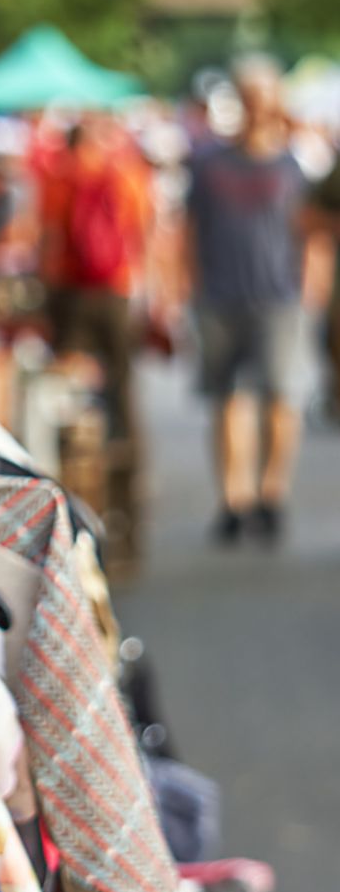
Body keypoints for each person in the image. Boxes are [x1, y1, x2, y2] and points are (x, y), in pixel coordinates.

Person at [186, 54, 307, 544]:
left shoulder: (293, 164)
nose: (257, 107)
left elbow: (309, 233)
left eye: (264, 97)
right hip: (219, 294)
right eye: (249, 97)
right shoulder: (209, 162)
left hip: (279, 296)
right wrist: (185, 286)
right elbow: (189, 230)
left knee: (280, 398)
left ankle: (270, 493)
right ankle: (233, 499)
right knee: (227, 399)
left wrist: (311, 288)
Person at [39, 114, 152, 446]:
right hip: (115, 288)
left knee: (69, 386)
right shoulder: (127, 176)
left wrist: (45, 290)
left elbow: (49, 237)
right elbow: (142, 235)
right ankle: (126, 474)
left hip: (70, 289)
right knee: (121, 385)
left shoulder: (59, 178)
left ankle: (75, 468)